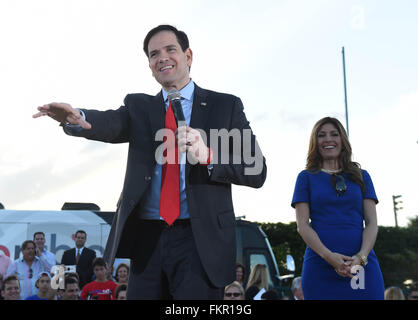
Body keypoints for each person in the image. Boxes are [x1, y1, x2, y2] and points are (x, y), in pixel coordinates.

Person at [33, 24, 266, 300]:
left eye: (170, 50)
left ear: (188, 56)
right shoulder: (139, 107)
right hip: (147, 239)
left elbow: (256, 169)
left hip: (199, 241)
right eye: (154, 54)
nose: (162, 57)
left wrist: (209, 156)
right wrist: (79, 118)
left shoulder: (224, 106)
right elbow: (111, 122)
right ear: (150, 66)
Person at [291, 117, 385, 300]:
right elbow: (302, 226)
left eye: (334, 134)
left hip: (361, 267)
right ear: (315, 142)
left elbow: (372, 223)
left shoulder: (362, 176)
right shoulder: (305, 178)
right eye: (321, 135)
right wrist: (329, 257)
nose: (328, 139)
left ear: (342, 140)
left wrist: (361, 257)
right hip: (320, 266)